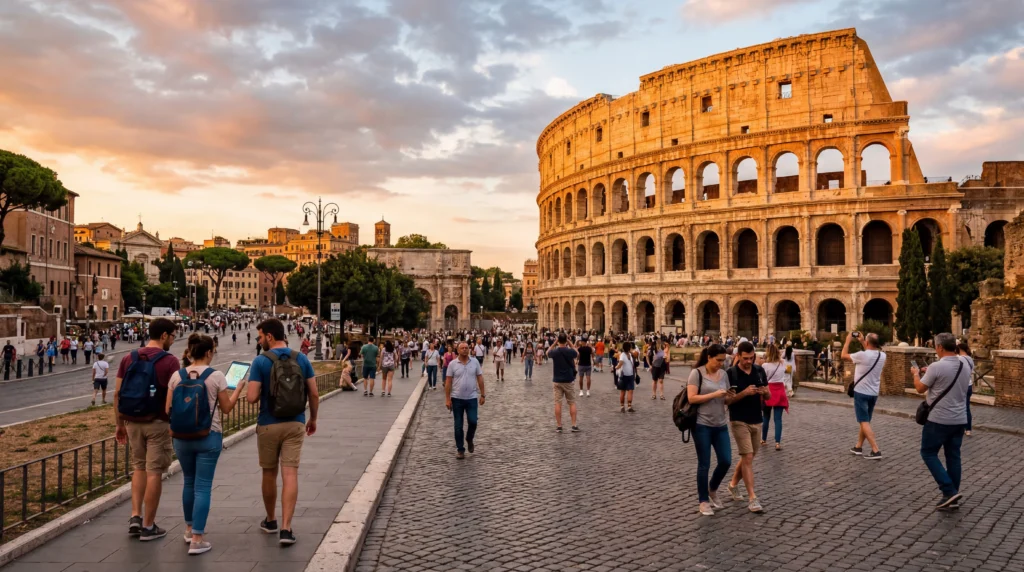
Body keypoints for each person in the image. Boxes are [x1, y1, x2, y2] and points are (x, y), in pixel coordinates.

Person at [166, 334, 247, 555]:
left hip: (181, 437)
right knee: (203, 486)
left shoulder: (176, 375)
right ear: (209, 352)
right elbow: (227, 408)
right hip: (208, 436)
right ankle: (197, 539)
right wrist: (238, 388)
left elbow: (167, 409)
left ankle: (189, 529)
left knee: (189, 482)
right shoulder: (217, 376)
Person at [246, 318, 319, 545]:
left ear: (269, 336)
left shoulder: (260, 361)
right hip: (295, 423)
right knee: (290, 474)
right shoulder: (302, 358)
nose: (259, 341)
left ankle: (271, 521)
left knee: (269, 473)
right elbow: (314, 393)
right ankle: (287, 529)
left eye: (260, 337)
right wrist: (313, 419)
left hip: (268, 423)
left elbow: (250, 398)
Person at [113, 318, 180, 541]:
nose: (173, 339)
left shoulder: (128, 357)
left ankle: (135, 516)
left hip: (132, 421)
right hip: (157, 422)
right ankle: (149, 526)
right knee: (154, 472)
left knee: (138, 467)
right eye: (172, 335)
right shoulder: (170, 361)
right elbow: (175, 396)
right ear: (163, 336)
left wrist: (119, 423)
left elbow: (117, 394)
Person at [912, 333, 971, 511]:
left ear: (939, 347)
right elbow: (946, 376)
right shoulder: (966, 363)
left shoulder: (936, 367)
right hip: (960, 419)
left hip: (938, 419)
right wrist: (928, 371)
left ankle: (948, 490)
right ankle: (953, 495)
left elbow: (920, 388)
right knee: (953, 456)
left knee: (928, 453)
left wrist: (916, 374)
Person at [687, 344, 732, 516]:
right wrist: (714, 394)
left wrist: (732, 396)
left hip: (721, 423)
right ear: (709, 357)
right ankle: (703, 500)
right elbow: (692, 398)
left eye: (723, 360)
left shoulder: (724, 374)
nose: (721, 363)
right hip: (702, 424)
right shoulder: (696, 373)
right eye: (718, 360)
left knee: (726, 460)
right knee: (704, 464)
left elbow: (726, 399)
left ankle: (712, 488)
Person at [725, 341, 768, 513]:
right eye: (745, 358)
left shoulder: (759, 371)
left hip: (757, 419)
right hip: (738, 420)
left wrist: (764, 392)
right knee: (748, 457)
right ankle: (752, 498)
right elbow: (727, 401)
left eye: (752, 358)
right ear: (738, 356)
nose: (749, 361)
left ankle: (733, 484)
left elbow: (769, 394)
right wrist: (744, 393)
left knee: (747, 458)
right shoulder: (731, 374)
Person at [841, 331, 886, 460]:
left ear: (867, 343)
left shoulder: (861, 355)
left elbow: (843, 355)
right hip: (873, 393)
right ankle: (858, 447)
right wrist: (862, 341)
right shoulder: (882, 355)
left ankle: (876, 450)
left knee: (863, 421)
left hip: (861, 392)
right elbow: (870, 351)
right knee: (865, 421)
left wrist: (848, 340)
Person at [445, 342, 485, 459]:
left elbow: (480, 378)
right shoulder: (452, 364)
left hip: (472, 398)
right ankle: (460, 449)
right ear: (457, 350)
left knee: (473, 421)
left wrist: (483, 395)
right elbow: (448, 382)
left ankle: (469, 438)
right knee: (458, 425)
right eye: (462, 348)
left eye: (466, 348)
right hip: (457, 398)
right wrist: (447, 399)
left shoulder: (475, 362)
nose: (464, 350)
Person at [547, 332, 580, 432]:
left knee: (558, 403)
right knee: (572, 403)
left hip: (557, 380)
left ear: (558, 341)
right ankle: (574, 425)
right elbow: (577, 353)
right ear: (566, 340)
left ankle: (559, 426)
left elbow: (547, 352)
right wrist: (570, 343)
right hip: (569, 380)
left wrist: (554, 343)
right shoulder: (570, 351)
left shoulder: (555, 352)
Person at [759, 343, 790, 450]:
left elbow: (762, 380)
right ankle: (777, 443)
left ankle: (763, 439)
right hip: (780, 391)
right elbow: (787, 371)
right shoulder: (782, 363)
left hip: (768, 391)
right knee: (778, 419)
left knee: (766, 417)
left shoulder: (765, 366)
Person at [957, 341, 974, 436]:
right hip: (969, 385)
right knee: (967, 408)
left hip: (962, 386)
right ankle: (968, 429)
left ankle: (961, 427)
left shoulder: (960, 359)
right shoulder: (970, 359)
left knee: (960, 407)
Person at [614, 341, 636, 413]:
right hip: (627, 375)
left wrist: (615, 367)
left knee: (626, 391)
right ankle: (626, 406)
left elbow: (621, 364)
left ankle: (626, 406)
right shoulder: (626, 355)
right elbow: (621, 363)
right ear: (629, 348)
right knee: (627, 391)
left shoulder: (626, 354)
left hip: (627, 375)